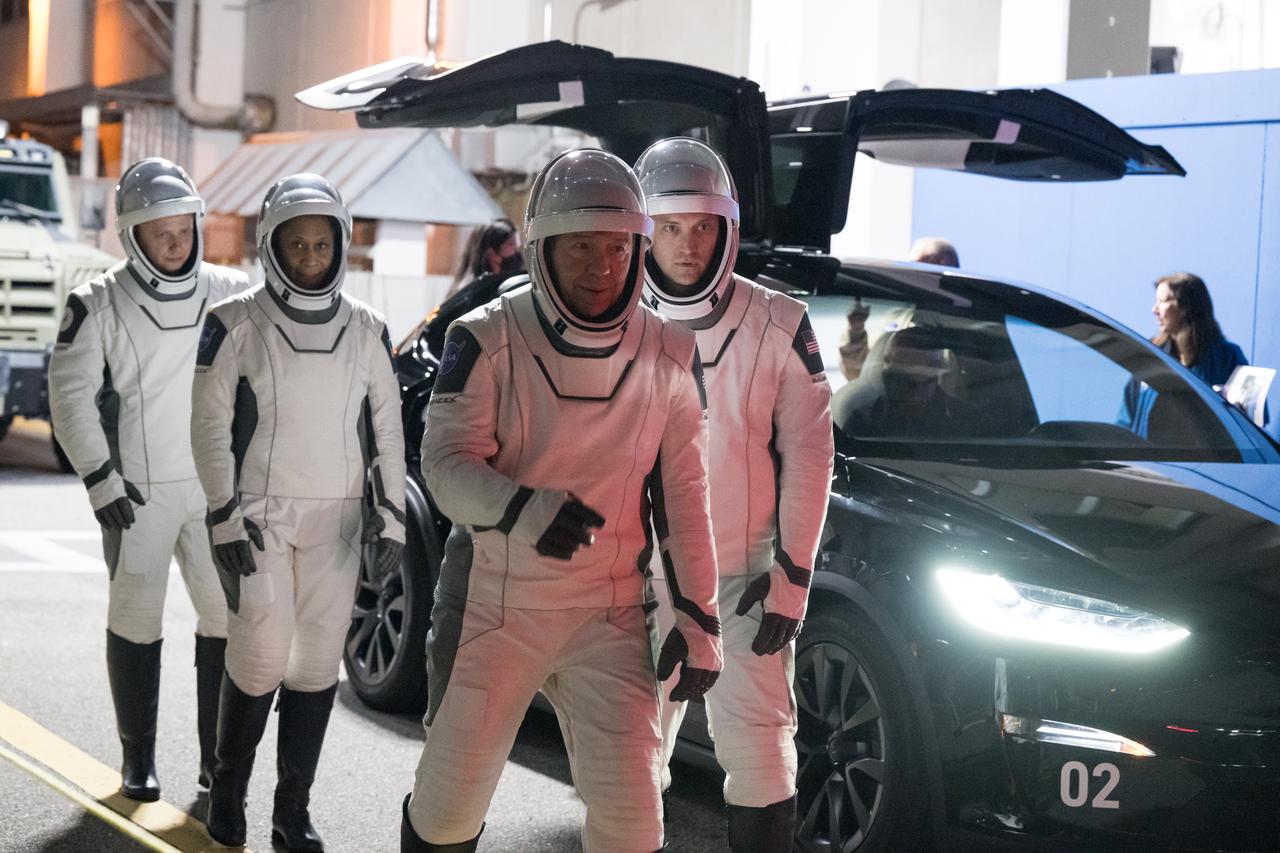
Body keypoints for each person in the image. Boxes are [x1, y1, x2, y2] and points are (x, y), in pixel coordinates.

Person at [400, 148, 722, 853]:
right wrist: (523, 508)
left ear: (639, 249)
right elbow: (445, 464)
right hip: (496, 599)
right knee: (447, 809)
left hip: (608, 611)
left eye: (616, 247)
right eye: (582, 247)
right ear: (542, 245)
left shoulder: (669, 350)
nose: (602, 267)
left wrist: (700, 616)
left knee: (636, 823)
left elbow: (684, 495)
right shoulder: (485, 337)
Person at [191, 173, 405, 851]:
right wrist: (223, 513)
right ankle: (226, 791)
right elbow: (207, 423)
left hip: (337, 518)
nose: (311, 256)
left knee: (316, 664)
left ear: (341, 244)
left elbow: (389, 428)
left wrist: (392, 514)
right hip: (259, 514)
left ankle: (293, 809)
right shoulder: (233, 323)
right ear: (270, 246)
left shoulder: (368, 328)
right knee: (257, 651)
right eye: (297, 244)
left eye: (322, 242)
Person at [634, 137, 834, 852]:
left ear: (728, 229)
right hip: (634, 584)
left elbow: (812, 449)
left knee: (758, 756)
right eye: (670, 227)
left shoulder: (777, 322)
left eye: (703, 226)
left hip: (743, 581)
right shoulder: (610, 319)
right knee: (624, 768)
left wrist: (792, 577)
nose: (687, 246)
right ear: (643, 228)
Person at [47, 157, 249, 803]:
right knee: (137, 617)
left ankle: (218, 763)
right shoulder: (98, 300)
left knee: (224, 618)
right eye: (159, 232)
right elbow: (69, 393)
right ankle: (138, 757)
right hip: (138, 490)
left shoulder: (232, 291)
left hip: (213, 487)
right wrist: (100, 477)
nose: (175, 243)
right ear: (131, 235)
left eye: (184, 228)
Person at [1121, 271, 1254, 433]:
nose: (1154, 310)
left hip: (1204, 456)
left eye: (1162, 301)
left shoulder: (1227, 356)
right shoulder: (1150, 354)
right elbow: (1126, 419)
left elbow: (1251, 421)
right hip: (1150, 456)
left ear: (1186, 307)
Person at [837, 325, 960, 438]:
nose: (890, 369)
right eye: (887, 361)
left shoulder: (961, 419)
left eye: (904, 364)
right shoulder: (863, 422)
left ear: (934, 367)